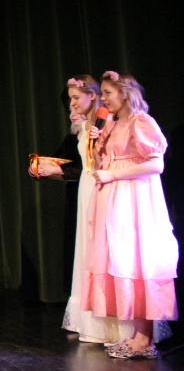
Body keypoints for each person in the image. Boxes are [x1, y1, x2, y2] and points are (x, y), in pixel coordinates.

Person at [31, 77, 134, 344]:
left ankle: (115, 322)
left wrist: (63, 170)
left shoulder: (105, 122)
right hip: (85, 190)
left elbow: (102, 161)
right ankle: (92, 320)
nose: (72, 104)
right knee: (87, 251)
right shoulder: (84, 126)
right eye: (71, 99)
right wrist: (48, 168)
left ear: (93, 96)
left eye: (76, 98)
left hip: (100, 186)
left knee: (103, 250)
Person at [84, 71, 177, 359]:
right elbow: (98, 164)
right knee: (123, 259)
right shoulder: (111, 124)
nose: (103, 99)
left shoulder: (141, 122)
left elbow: (156, 165)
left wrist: (114, 174)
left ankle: (144, 339)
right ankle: (137, 335)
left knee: (138, 258)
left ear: (125, 93)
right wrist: (95, 144)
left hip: (134, 199)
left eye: (108, 93)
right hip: (113, 199)